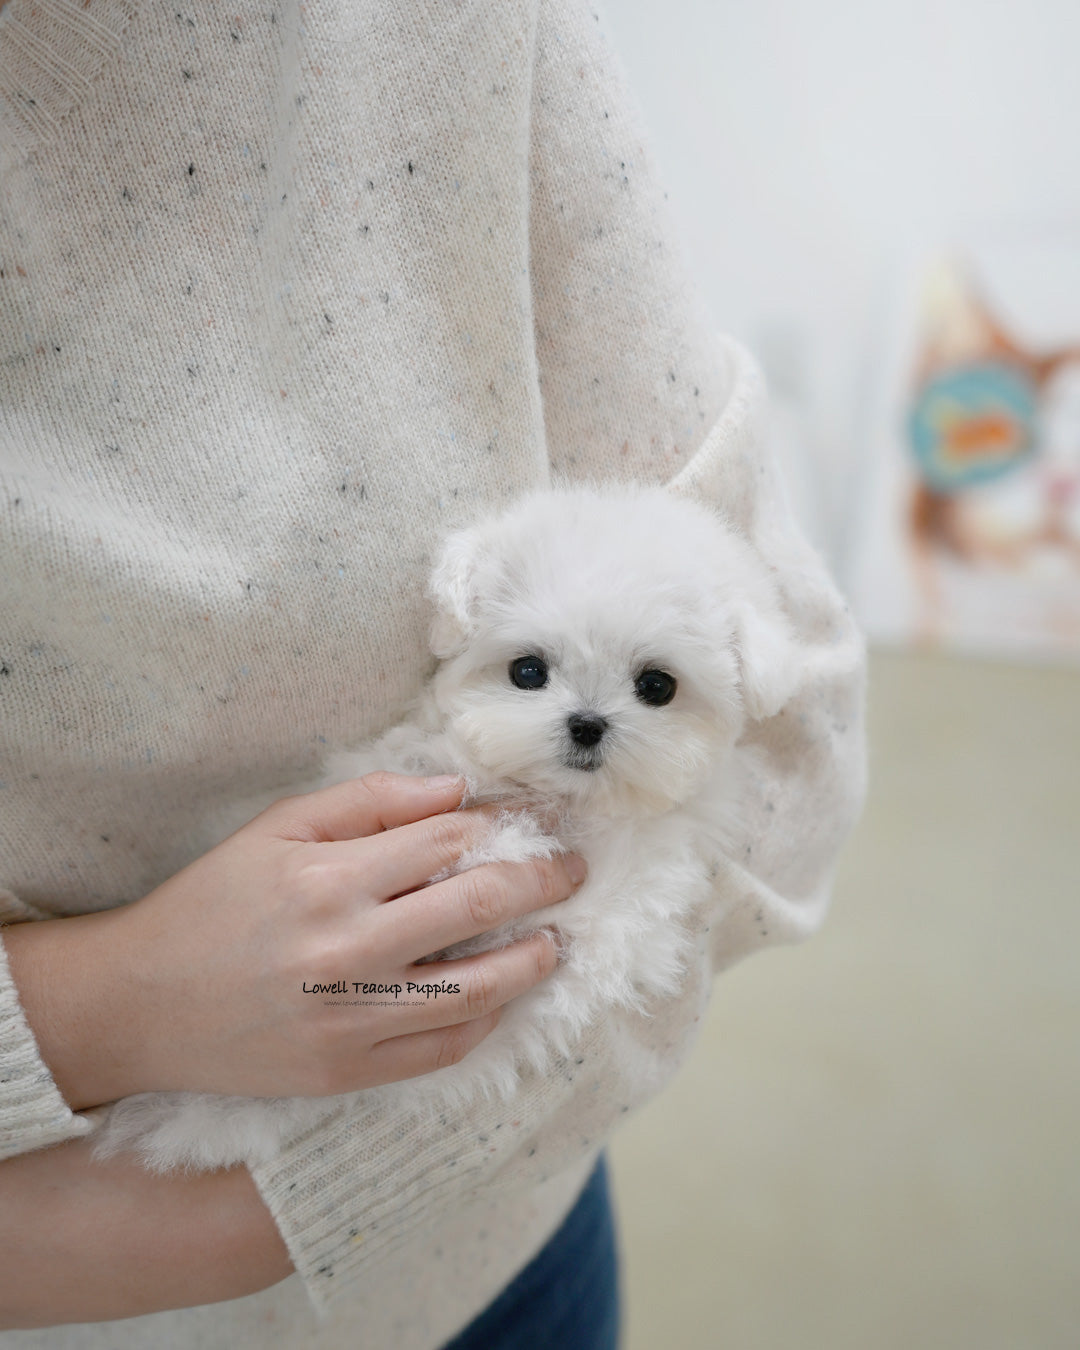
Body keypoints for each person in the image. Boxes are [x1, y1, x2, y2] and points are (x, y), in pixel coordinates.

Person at [0, 0, 868, 1345]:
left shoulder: (456, 35)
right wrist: (90, 1013)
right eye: (535, 669)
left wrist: (317, 1197)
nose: (588, 720)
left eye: (645, 688)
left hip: (490, 1242)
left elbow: (793, 729)